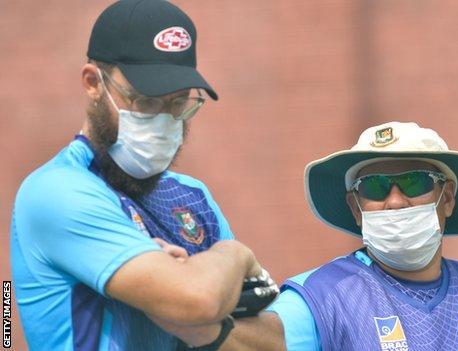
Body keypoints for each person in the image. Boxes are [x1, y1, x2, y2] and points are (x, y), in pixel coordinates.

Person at [10, 1, 276, 350]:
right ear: (93, 83)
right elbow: (197, 298)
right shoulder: (55, 192)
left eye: (179, 103)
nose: (165, 120)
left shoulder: (192, 195)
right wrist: (234, 255)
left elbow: (274, 340)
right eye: (147, 102)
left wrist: (205, 328)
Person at [217, 121, 458, 350]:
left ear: (448, 197)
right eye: (375, 187)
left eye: (415, 182)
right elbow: (255, 343)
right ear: (356, 208)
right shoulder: (322, 296)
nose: (396, 201)